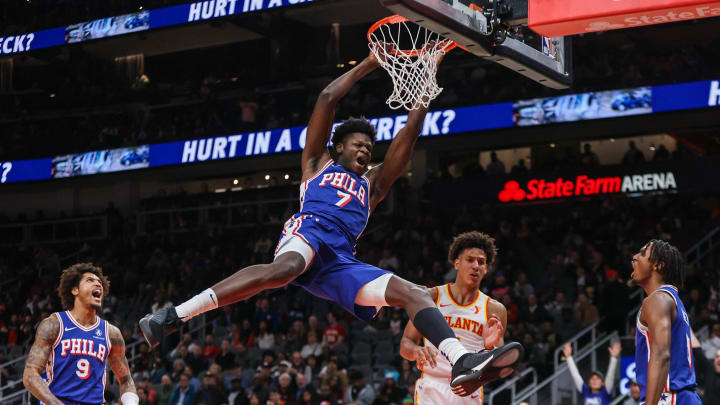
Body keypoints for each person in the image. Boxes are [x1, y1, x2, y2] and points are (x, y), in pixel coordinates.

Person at [140, 46, 514, 391]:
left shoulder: (374, 185)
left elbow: (410, 134)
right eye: (358, 143)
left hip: (339, 260)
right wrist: (372, 62)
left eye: (370, 146)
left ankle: (462, 360)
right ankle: (173, 315)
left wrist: (428, 81)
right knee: (283, 269)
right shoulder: (317, 163)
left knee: (414, 293)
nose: (366, 148)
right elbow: (327, 98)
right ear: (339, 146)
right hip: (308, 233)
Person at [399, 232, 521, 401]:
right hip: (432, 385)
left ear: (486, 269)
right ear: (456, 263)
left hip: (468, 390)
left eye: (481, 262)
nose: (475, 266)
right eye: (470, 260)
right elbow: (405, 344)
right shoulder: (431, 297)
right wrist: (416, 351)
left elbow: (495, 366)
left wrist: (491, 347)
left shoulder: (495, 309)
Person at [22, 263, 139, 405]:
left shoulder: (111, 333)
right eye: (90, 280)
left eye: (100, 282)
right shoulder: (54, 324)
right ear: (75, 289)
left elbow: (126, 379)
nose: (98, 284)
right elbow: (30, 374)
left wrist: (131, 401)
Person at [631, 239, 701, 405]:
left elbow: (661, 355)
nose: (634, 257)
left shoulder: (657, 299)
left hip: (669, 398)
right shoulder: (674, 300)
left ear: (658, 265)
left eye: (642, 253)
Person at [690, 330, 720, 405]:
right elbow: (697, 351)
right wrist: (688, 327)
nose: (719, 359)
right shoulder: (710, 368)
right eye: (717, 356)